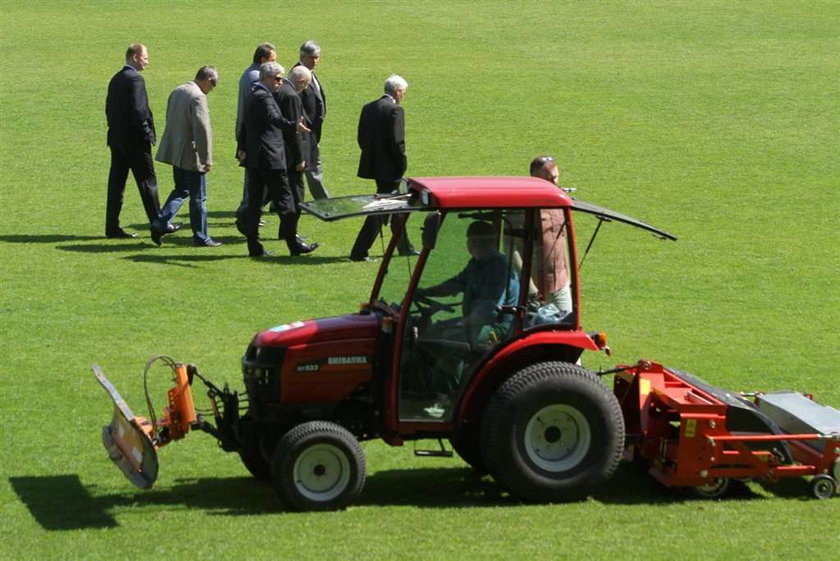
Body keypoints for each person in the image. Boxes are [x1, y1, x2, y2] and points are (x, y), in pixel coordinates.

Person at [237, 62, 317, 257]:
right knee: (287, 203)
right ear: (266, 78)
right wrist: (293, 125)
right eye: (278, 78)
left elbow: (245, 125)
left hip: (256, 157)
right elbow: (274, 118)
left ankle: (254, 246)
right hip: (270, 157)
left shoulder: (253, 94)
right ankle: (293, 243)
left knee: (255, 204)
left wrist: (241, 147)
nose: (281, 82)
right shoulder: (263, 96)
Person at [105, 43, 173, 239]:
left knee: (116, 185)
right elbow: (139, 111)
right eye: (145, 57)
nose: (147, 61)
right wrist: (146, 135)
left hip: (117, 140)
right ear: (134, 57)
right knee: (147, 183)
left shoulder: (116, 78)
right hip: (135, 142)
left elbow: (109, 109)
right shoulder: (135, 79)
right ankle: (158, 224)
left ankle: (112, 227)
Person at [150, 66, 221, 247]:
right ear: (208, 80)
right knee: (199, 197)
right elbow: (202, 130)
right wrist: (206, 159)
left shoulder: (178, 90)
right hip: (191, 155)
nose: (212, 89)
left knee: (181, 189)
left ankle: (160, 222)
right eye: (214, 84)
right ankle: (201, 236)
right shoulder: (198, 97)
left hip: (176, 151)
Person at [350, 75, 417, 261]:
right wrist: (402, 163)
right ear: (398, 92)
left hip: (374, 165)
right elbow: (397, 142)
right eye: (403, 92)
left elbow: (361, 138)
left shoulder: (369, 108)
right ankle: (359, 251)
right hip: (390, 168)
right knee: (383, 208)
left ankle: (404, 246)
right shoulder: (395, 110)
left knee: (395, 206)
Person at [276, 65, 319, 248]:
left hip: (281, 152)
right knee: (296, 196)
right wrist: (301, 158)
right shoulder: (292, 96)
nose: (306, 88)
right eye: (306, 84)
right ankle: (290, 235)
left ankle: (285, 232)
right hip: (291, 156)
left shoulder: (281, 90)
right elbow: (295, 132)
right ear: (301, 81)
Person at [234, 43, 277, 231]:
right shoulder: (256, 78)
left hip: (246, 131)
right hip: (252, 133)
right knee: (255, 179)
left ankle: (249, 212)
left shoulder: (249, 74)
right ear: (263, 60)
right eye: (273, 61)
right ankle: (247, 212)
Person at [528, 155, 572, 314]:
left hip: (560, 284)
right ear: (535, 179)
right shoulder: (523, 206)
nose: (555, 183)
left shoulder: (559, 202)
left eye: (556, 178)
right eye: (549, 179)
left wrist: (568, 277)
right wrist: (530, 288)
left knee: (566, 327)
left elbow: (562, 240)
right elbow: (514, 250)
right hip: (534, 289)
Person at [293, 40, 330, 200]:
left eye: (317, 57)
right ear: (303, 56)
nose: (316, 61)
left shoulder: (309, 74)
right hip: (305, 132)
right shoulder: (299, 75)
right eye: (312, 57)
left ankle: (276, 201)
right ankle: (323, 200)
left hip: (311, 131)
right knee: (313, 166)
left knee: (295, 169)